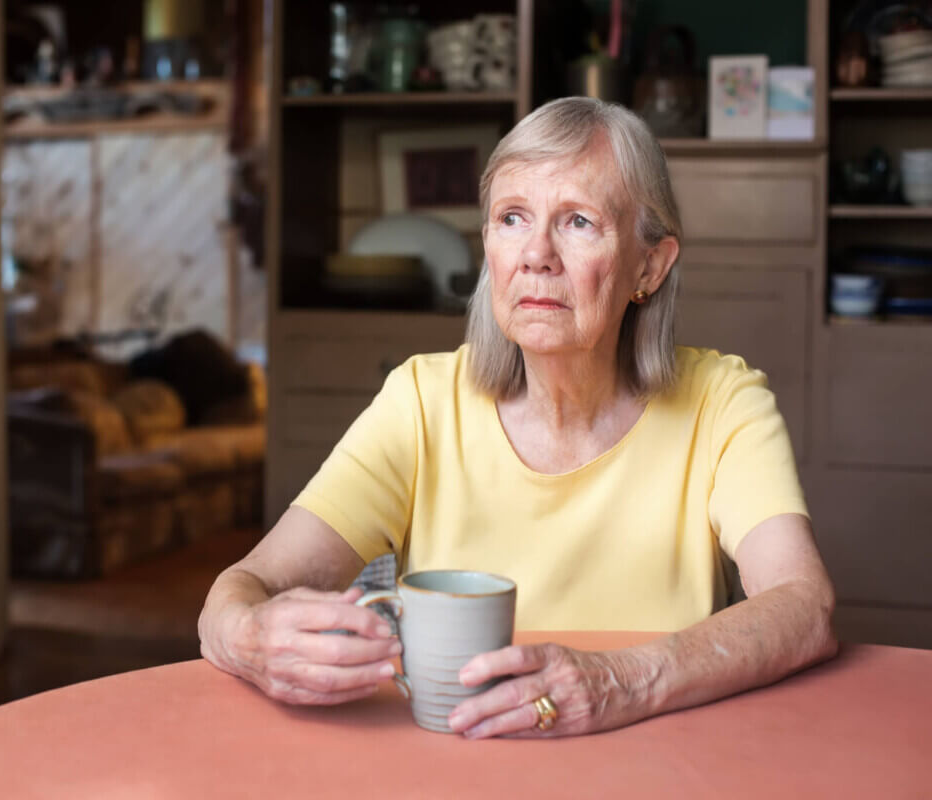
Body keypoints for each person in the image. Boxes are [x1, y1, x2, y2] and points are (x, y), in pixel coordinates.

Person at [197, 97, 837, 739]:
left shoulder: (722, 402)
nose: (536, 254)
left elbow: (805, 606)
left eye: (579, 222)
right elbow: (249, 584)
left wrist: (620, 682)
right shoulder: (422, 400)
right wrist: (248, 635)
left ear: (649, 265)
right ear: (489, 248)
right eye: (512, 218)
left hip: (662, 766)